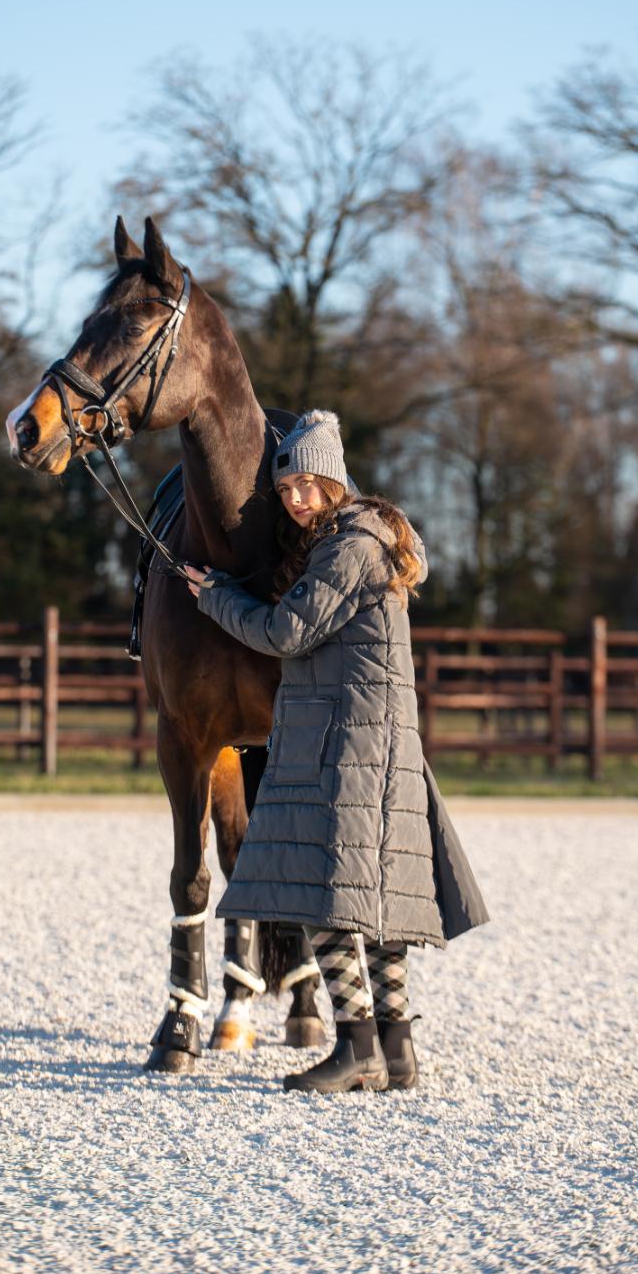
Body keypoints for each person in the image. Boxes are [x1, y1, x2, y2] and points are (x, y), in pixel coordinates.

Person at [184, 409, 488, 1094]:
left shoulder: (350, 545)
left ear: (333, 479)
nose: (295, 498)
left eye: (306, 484)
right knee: (372, 901)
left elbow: (288, 631)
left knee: (320, 894)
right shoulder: (365, 538)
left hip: (348, 740)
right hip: (372, 739)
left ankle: (356, 1047)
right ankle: (395, 1049)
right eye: (285, 488)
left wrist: (215, 598)